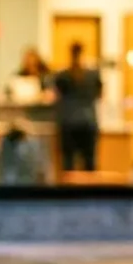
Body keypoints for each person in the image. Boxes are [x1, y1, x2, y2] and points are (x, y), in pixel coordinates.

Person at [52, 42, 102, 172]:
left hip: (68, 121)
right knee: (89, 163)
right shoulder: (93, 75)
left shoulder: (62, 76)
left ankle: (69, 191)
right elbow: (100, 95)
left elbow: (56, 96)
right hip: (88, 121)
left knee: (68, 164)